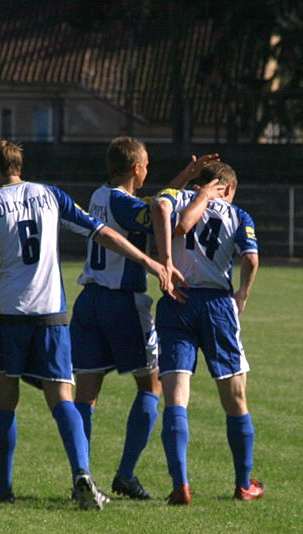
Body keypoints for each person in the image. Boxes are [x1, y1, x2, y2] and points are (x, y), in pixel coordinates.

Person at [0, 139, 171, 510]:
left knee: (4, 403)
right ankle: (82, 476)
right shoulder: (51, 195)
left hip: (4, 314)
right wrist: (150, 262)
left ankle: (3, 487)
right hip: (51, 315)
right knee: (61, 399)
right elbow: (102, 233)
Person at [69, 136, 218, 500]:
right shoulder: (123, 204)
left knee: (86, 396)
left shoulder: (100, 196)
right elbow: (158, 212)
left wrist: (183, 177)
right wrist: (202, 195)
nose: (149, 169)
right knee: (151, 387)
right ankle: (125, 474)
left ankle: (82, 477)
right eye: (147, 163)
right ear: (136, 167)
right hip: (122, 303)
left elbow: (154, 202)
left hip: (89, 300)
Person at [153, 162, 265, 505]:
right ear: (227, 188)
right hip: (216, 305)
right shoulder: (238, 214)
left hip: (176, 299)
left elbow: (162, 211)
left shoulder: (175, 199)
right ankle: (243, 483)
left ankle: (181, 484)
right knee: (234, 397)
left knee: (175, 396)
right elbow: (251, 258)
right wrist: (243, 293)